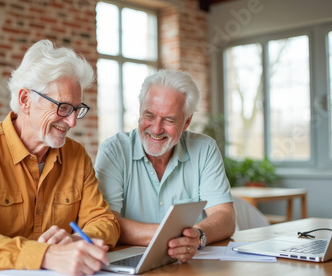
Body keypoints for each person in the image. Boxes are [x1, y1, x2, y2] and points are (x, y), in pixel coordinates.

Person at [0, 40, 120, 276]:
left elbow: (104, 221)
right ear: (26, 100)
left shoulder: (76, 156)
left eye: (76, 109)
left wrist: (76, 240)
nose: (72, 122)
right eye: (63, 107)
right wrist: (46, 255)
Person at [94, 69, 235, 263]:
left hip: (188, 264)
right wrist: (173, 237)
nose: (156, 129)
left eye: (169, 120)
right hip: (129, 265)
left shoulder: (205, 149)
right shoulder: (114, 151)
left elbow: (225, 215)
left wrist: (198, 235)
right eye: (149, 115)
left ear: (186, 121)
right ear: (140, 111)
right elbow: (106, 221)